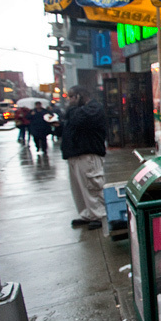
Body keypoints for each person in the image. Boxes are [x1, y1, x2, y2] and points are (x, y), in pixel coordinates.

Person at [60, 86, 107, 230]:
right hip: (75, 155)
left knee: (92, 186)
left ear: (79, 96)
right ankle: (88, 213)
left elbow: (77, 119)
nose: (70, 100)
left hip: (88, 155)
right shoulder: (80, 111)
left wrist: (71, 109)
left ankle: (99, 214)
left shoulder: (94, 108)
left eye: (72, 97)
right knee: (80, 189)